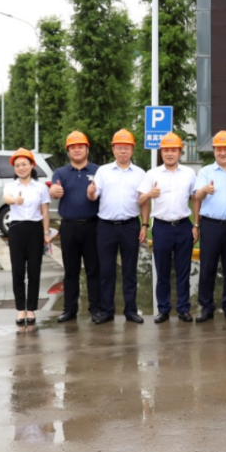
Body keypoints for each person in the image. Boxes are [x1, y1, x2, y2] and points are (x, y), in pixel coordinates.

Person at [137, 132, 199, 324]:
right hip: (161, 227)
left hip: (183, 226)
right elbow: (140, 200)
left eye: (173, 150)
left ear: (180, 152)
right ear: (161, 152)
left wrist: (196, 224)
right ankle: (163, 309)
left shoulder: (189, 173)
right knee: (162, 271)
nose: (170, 154)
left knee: (183, 271)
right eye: (166, 150)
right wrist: (150, 194)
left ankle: (183, 309)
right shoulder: (152, 174)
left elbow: (195, 199)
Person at [89, 129, 149, 324]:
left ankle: (131, 310)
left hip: (130, 226)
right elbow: (94, 195)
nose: (123, 151)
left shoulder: (140, 174)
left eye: (127, 148)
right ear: (113, 149)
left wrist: (144, 225)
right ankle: (107, 310)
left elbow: (144, 201)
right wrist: (90, 192)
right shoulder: (103, 171)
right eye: (119, 147)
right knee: (106, 271)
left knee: (130, 271)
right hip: (106, 226)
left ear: (132, 149)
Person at [49, 131, 101, 324]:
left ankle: (96, 309)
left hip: (93, 226)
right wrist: (54, 191)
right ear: (68, 151)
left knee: (93, 271)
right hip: (69, 227)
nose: (77, 150)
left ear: (87, 149)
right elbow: (53, 190)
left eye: (80, 146)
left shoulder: (98, 171)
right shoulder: (61, 173)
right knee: (71, 271)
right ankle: (69, 310)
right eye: (73, 147)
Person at [193, 130, 226, 322]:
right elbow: (197, 196)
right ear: (214, 151)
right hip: (210, 226)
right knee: (208, 267)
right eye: (219, 149)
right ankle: (206, 306)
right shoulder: (205, 172)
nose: (223, 153)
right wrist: (205, 189)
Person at [2, 148, 55, 327]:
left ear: (32, 165)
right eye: (17, 165)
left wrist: (46, 233)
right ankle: (20, 309)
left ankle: (31, 309)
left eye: (24, 164)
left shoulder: (41, 187)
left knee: (34, 271)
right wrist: (14, 201)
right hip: (16, 229)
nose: (21, 168)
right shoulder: (11, 186)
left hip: (35, 229)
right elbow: (6, 198)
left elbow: (45, 212)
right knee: (17, 271)